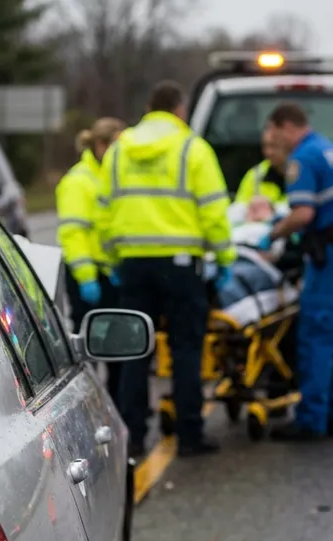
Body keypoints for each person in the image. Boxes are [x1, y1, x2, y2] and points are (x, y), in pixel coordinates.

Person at [95, 80, 235, 459]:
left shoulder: (120, 149)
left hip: (133, 265)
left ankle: (133, 438)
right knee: (186, 349)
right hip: (181, 264)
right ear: (180, 109)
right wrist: (224, 258)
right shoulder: (192, 148)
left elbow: (103, 211)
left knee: (134, 352)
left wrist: (112, 261)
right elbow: (213, 210)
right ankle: (190, 434)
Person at [257, 102, 333, 441]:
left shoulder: (303, 158)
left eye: (274, 132)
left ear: (284, 126)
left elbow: (303, 214)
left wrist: (273, 232)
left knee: (318, 335)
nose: (273, 140)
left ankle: (311, 420)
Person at [57, 117, 126, 401]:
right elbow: (74, 234)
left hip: (111, 275)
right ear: (100, 145)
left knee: (119, 349)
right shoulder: (78, 181)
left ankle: (117, 405)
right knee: (91, 352)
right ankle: (89, 404)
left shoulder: (111, 176)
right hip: (89, 277)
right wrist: (87, 278)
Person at [234, 126, 288, 208]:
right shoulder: (255, 174)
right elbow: (239, 209)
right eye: (265, 146)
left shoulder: (301, 171)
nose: (269, 152)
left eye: (274, 146)